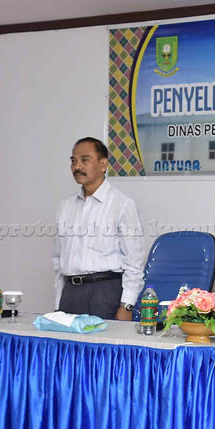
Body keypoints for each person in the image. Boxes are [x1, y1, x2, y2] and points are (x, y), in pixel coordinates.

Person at [52, 137, 146, 320]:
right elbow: (58, 259)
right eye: (73, 161)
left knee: (104, 340)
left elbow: (134, 261)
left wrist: (127, 305)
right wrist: (58, 302)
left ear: (103, 164)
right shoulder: (66, 206)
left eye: (84, 160)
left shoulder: (121, 204)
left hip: (104, 293)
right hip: (70, 293)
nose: (77, 166)